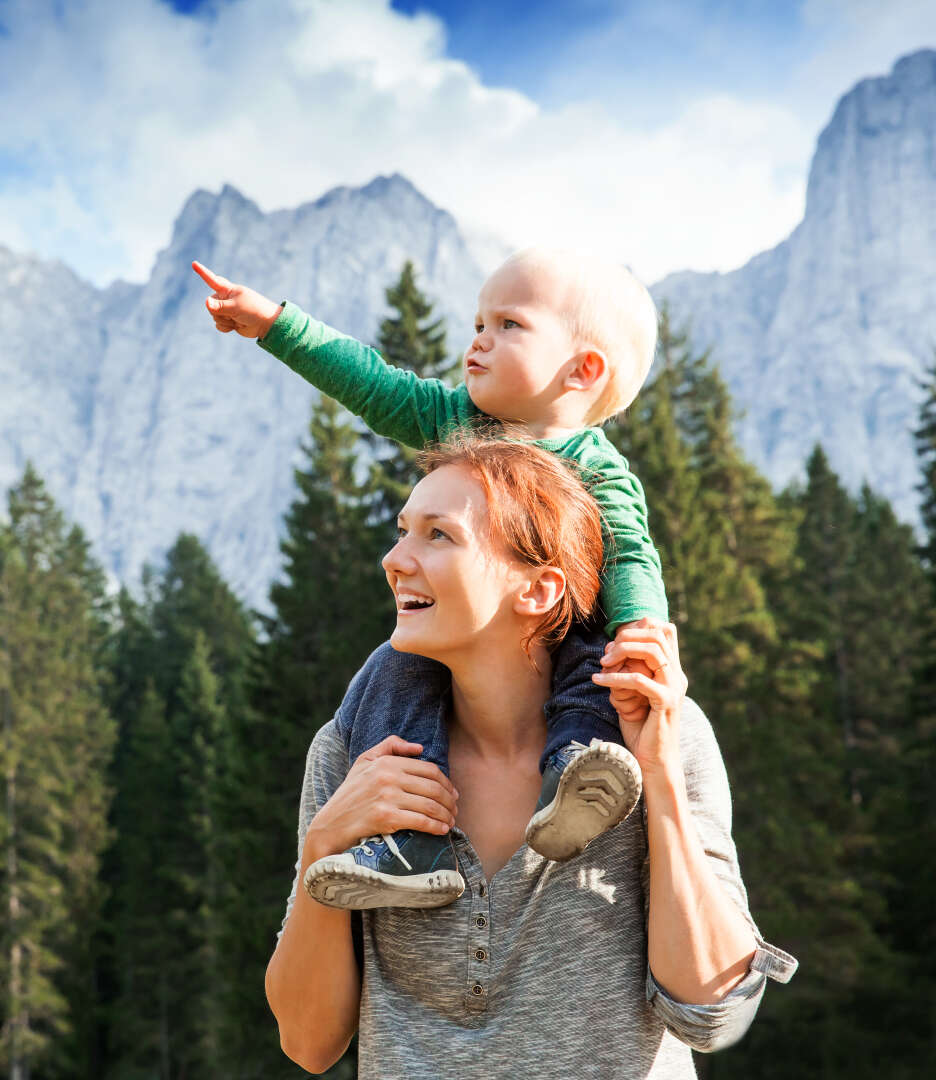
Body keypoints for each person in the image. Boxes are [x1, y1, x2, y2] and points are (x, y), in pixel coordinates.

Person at [264, 437, 796, 1077]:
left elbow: (710, 1014)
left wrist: (658, 779)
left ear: (540, 590)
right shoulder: (354, 754)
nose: (394, 559)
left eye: (438, 536)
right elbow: (308, 1041)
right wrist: (323, 847)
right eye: (403, 531)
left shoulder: (656, 735)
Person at [192, 249, 673, 906]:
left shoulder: (600, 470)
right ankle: (407, 843)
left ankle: (576, 780)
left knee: (595, 665)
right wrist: (276, 324)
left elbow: (631, 560)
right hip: (458, 636)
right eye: (479, 321)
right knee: (392, 676)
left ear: (584, 369)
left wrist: (641, 628)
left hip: (561, 629)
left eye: (509, 325)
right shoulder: (456, 420)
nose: (479, 338)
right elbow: (371, 382)